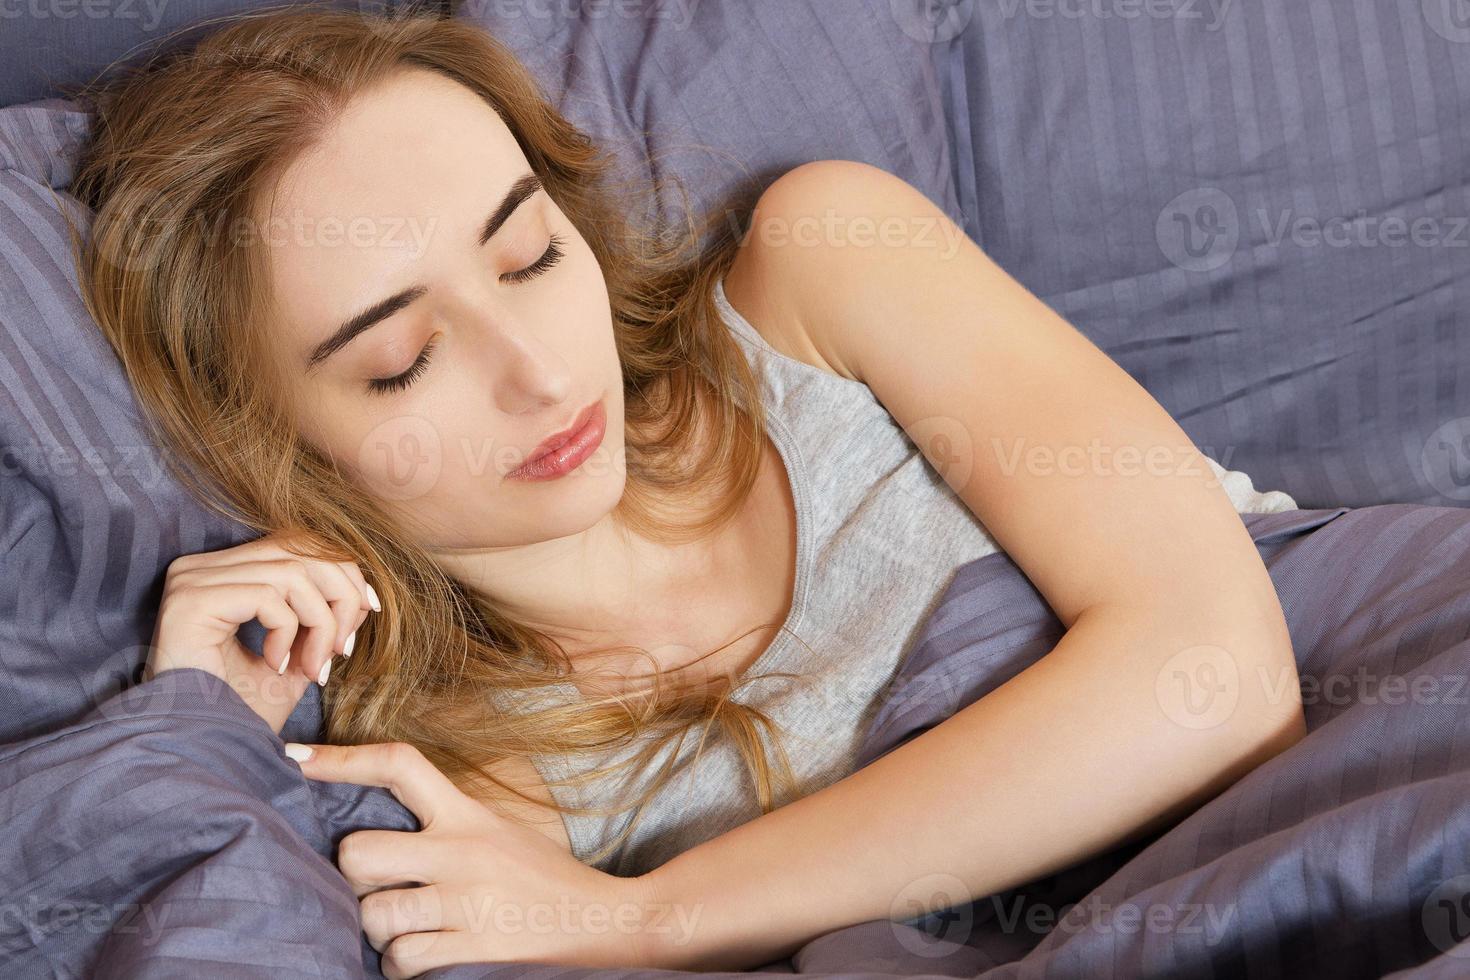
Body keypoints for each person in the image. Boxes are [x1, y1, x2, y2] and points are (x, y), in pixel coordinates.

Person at [63, 7, 1308, 971]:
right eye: (404, 362)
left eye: (531, 251)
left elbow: (1222, 675)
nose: (544, 371)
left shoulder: (824, 268)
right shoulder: (484, 781)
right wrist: (202, 731)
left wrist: (651, 914)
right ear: (271, 440)